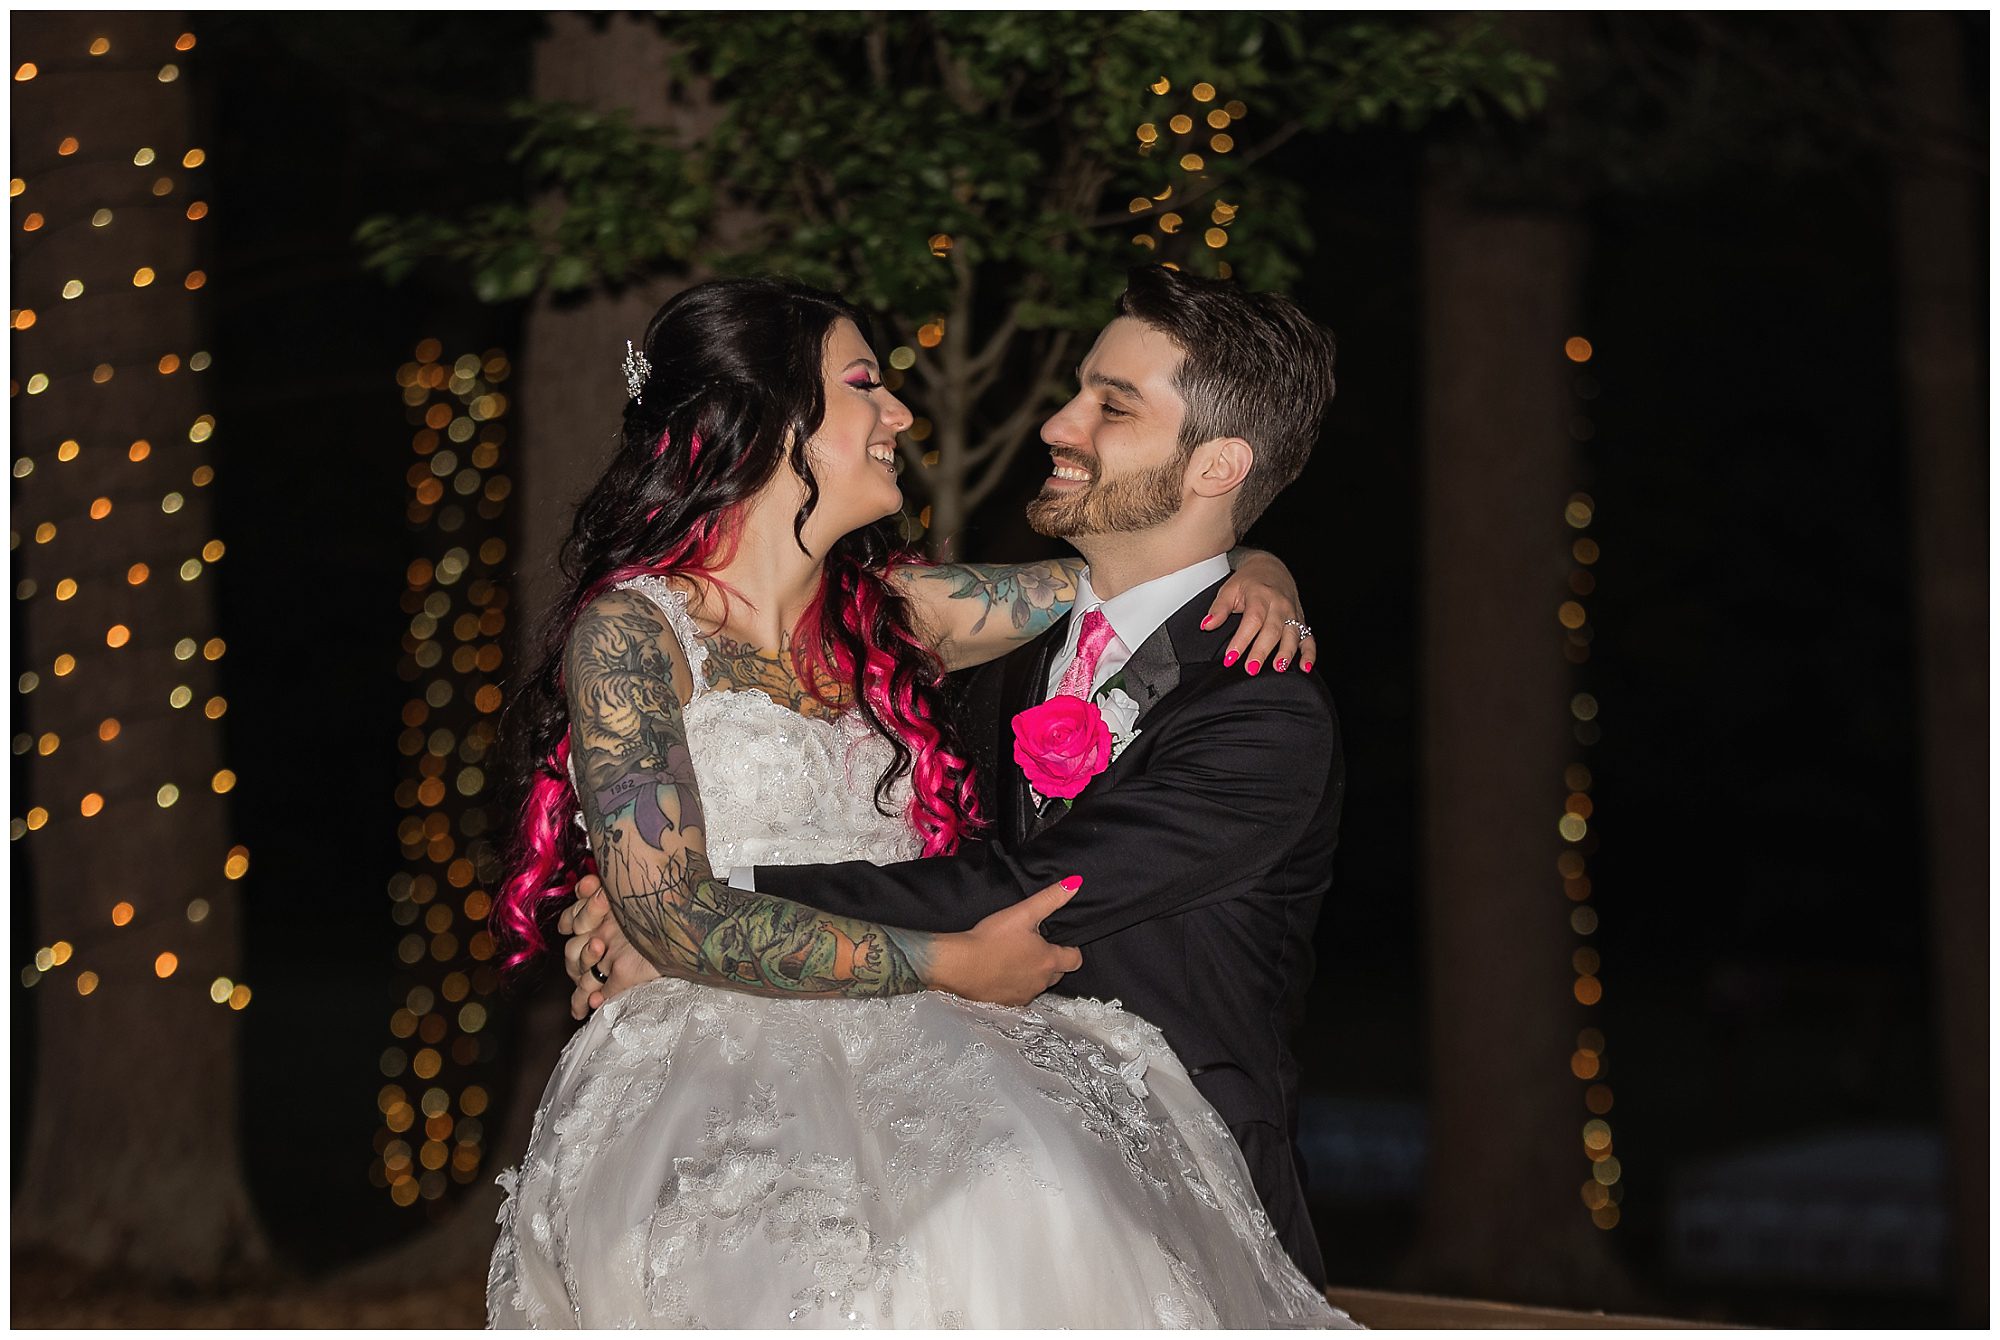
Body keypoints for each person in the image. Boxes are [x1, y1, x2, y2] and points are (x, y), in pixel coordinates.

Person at [487, 274, 1351, 1328]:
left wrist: (1260, 561)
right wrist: (674, 914)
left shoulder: (895, 619)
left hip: (932, 1039)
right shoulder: (634, 635)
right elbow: (676, 907)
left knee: (993, 1224)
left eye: (1107, 401)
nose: (899, 413)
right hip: (712, 1058)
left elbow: (1137, 573)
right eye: (866, 386)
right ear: (768, 421)